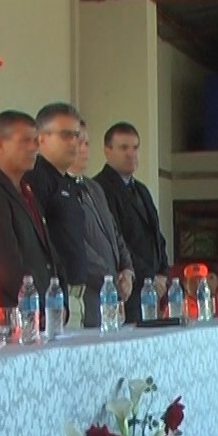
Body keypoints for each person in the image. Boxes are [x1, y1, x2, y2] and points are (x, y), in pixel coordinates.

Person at [92, 121, 166, 320]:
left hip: (152, 289)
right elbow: (118, 242)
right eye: (124, 148)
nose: (131, 154)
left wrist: (163, 272)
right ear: (107, 151)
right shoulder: (100, 188)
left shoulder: (141, 190)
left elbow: (156, 235)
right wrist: (149, 276)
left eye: (135, 147)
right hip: (127, 287)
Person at [0, 109, 53, 312]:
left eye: (36, 141)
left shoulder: (27, 191)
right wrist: (33, 303)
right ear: (0, 145)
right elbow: (4, 261)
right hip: (15, 312)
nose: (34, 148)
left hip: (42, 309)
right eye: (25, 141)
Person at [26, 102, 89, 323]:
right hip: (54, 297)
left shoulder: (68, 183)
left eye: (76, 135)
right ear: (41, 138)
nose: (74, 143)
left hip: (78, 296)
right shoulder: (36, 178)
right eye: (65, 136)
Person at [71, 124, 132, 320]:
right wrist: (111, 278)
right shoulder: (61, 190)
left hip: (112, 293)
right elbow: (77, 244)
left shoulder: (94, 188)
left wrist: (127, 270)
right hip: (88, 294)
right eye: (79, 142)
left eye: (87, 143)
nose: (84, 149)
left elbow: (115, 233)